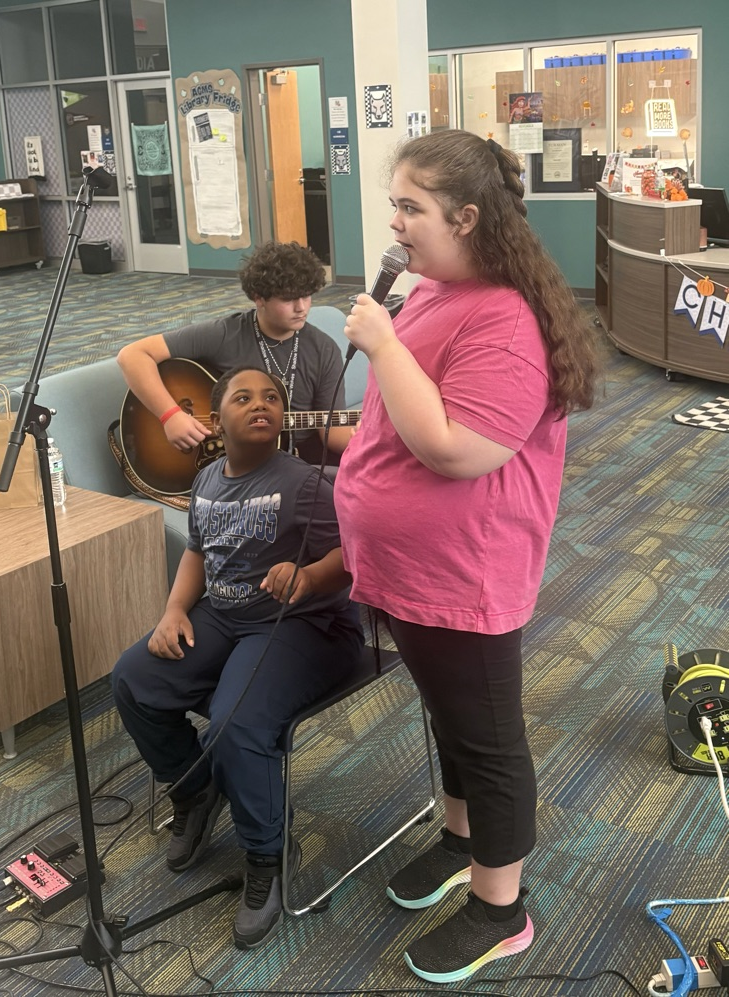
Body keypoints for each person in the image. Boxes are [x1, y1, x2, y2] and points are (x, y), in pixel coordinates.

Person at [334, 129, 598, 984]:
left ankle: (500, 909)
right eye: (396, 205)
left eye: (411, 207)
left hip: (464, 575)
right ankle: (460, 840)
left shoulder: (507, 322)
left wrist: (382, 345)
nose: (395, 223)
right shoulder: (437, 291)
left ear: (467, 217)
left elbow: (456, 448)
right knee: (448, 717)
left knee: (487, 741)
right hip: (410, 570)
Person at [111, 366, 363, 950]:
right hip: (224, 615)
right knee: (134, 678)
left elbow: (356, 553)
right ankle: (194, 789)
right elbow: (198, 552)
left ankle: (267, 855)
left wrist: (309, 575)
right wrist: (174, 611)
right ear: (215, 419)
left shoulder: (305, 484)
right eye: (243, 397)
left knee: (236, 722)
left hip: (302, 623)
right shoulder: (206, 480)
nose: (260, 404)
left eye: (271, 397)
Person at [116, 241, 354, 468]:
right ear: (259, 298)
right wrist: (171, 416)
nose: (301, 307)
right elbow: (132, 355)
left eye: (307, 296)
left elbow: (332, 432)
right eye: (289, 299)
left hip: (298, 457)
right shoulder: (224, 334)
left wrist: (363, 435)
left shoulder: (324, 349)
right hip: (233, 458)